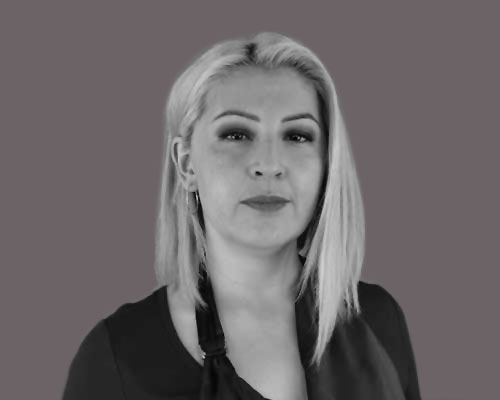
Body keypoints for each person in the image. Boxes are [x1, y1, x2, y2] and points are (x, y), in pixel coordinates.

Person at [62, 32, 421, 400]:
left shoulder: (379, 320)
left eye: (297, 136)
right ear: (186, 164)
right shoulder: (118, 356)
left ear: (327, 164)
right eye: (236, 134)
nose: (269, 164)